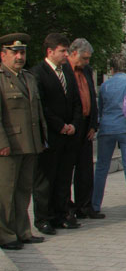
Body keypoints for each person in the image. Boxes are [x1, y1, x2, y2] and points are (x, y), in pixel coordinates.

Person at [0, 33, 48, 250]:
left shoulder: (28, 77)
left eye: (22, 53)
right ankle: (5, 235)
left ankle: (22, 231)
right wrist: (2, 142)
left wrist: (41, 139)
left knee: (23, 191)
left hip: (30, 143)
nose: (19, 57)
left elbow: (37, 112)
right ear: (3, 55)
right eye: (15, 53)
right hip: (9, 145)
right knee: (6, 193)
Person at [32, 33, 82, 234]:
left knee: (63, 178)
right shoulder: (38, 73)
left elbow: (76, 101)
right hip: (51, 136)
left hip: (68, 135)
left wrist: (74, 124)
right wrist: (59, 125)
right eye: (62, 51)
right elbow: (42, 106)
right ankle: (43, 218)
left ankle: (61, 214)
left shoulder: (67, 72)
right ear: (50, 51)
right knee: (46, 179)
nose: (66, 55)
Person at [92, 54, 126, 218]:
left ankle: (95, 205)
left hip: (107, 129)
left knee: (102, 168)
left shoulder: (105, 86)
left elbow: (100, 108)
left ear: (111, 69)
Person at [63, 38, 101, 219]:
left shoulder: (87, 70)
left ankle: (85, 206)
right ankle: (67, 207)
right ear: (73, 53)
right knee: (66, 169)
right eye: (84, 58)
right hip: (71, 126)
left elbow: (92, 97)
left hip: (86, 125)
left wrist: (93, 124)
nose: (87, 62)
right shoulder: (64, 69)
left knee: (85, 170)